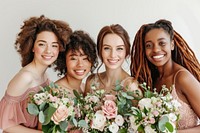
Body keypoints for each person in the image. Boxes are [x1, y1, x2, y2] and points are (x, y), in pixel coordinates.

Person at [0, 15, 72, 132]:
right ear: (32, 47)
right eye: (42, 44)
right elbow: (7, 126)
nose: (48, 50)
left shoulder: (44, 76)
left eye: (54, 45)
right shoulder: (25, 77)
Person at [130, 19, 200, 132]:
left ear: (172, 44)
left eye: (162, 43)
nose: (156, 49)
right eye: (149, 45)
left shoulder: (182, 78)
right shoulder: (151, 81)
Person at [54, 30, 98, 132]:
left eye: (85, 58)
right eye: (73, 58)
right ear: (64, 60)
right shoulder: (55, 91)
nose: (80, 64)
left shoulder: (85, 88)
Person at [84, 24, 137, 96]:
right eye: (107, 48)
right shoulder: (91, 81)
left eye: (119, 48)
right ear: (100, 50)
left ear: (126, 51)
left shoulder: (131, 87)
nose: (113, 55)